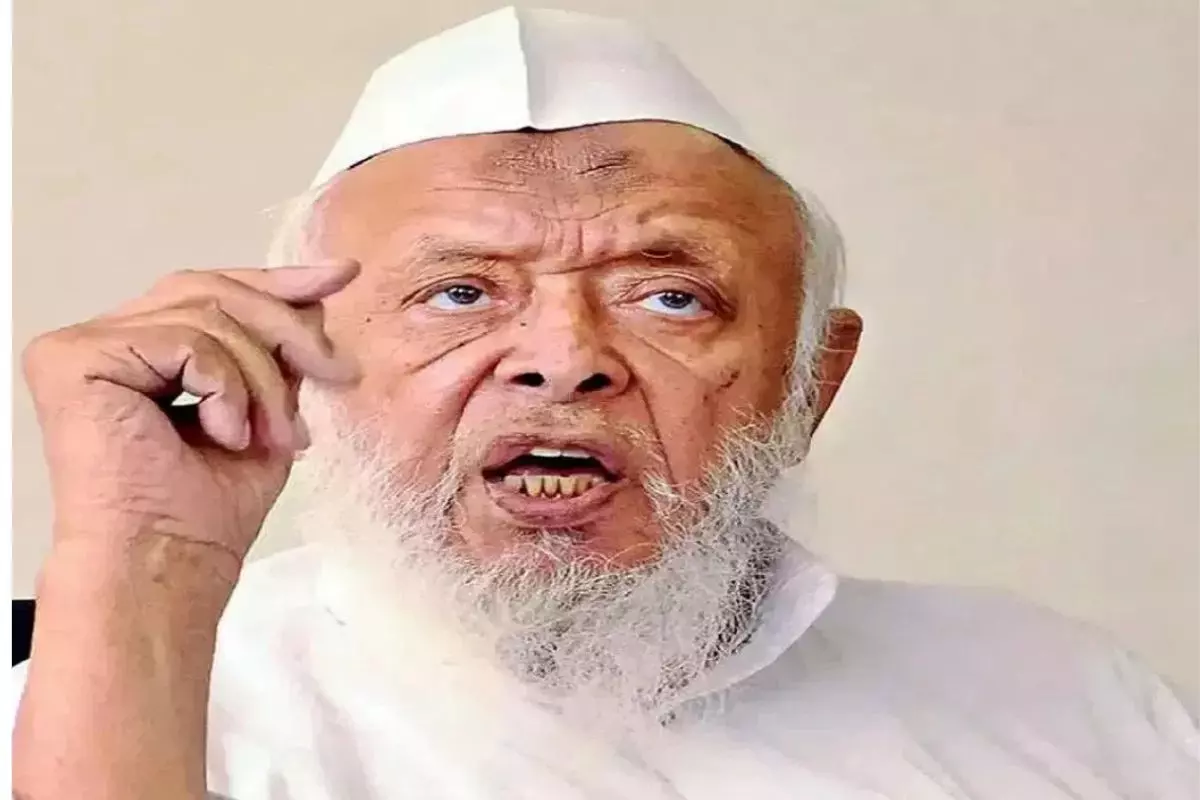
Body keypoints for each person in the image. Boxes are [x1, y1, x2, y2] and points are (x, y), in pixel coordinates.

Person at [11, 7, 1197, 800]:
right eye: (460, 291)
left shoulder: (1062, 692)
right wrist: (143, 561)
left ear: (812, 384)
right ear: (309, 360)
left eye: (671, 297)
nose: (562, 359)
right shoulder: (99, 701)